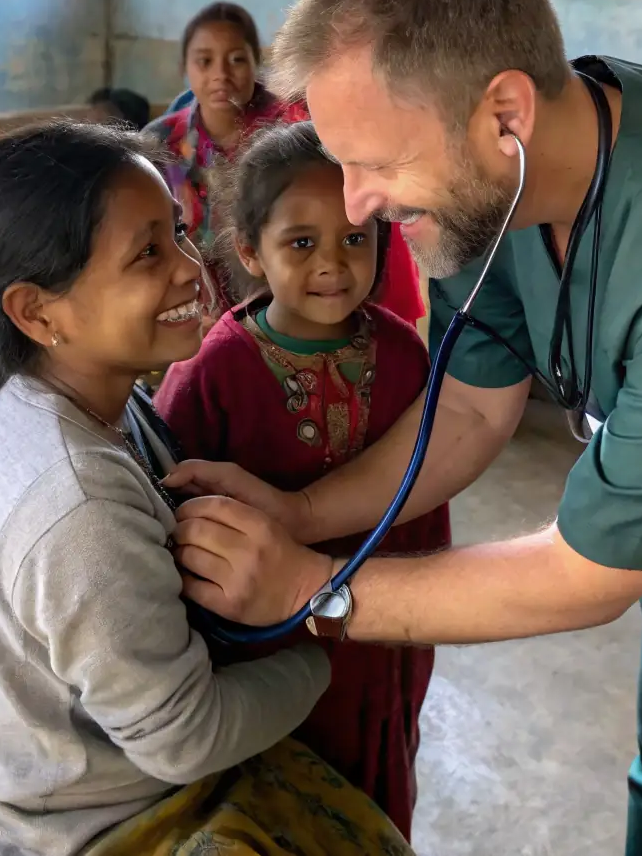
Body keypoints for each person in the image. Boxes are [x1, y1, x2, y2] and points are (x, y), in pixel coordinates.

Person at [170, 0, 642, 856]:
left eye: (377, 163)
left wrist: (315, 588)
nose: (359, 201)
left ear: (505, 112)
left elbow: (584, 573)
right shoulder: (489, 195)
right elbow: (467, 406)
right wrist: (300, 510)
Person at [0, 120, 410, 856]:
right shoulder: (77, 504)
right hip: (79, 830)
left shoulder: (87, 397)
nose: (192, 269)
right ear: (38, 312)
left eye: (179, 232)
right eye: (147, 254)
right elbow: (186, 739)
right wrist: (323, 659)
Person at [155, 121, 449, 839]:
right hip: (269, 660)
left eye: (355, 237)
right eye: (300, 242)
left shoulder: (405, 355)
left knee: (370, 798)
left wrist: (420, 628)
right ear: (251, 251)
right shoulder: (211, 372)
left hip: (380, 644)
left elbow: (426, 510)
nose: (334, 264)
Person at [146, 0, 424, 326]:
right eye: (204, 61)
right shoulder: (162, 142)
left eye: (236, 60)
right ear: (185, 68)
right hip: (195, 315)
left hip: (301, 311)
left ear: (255, 62)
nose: (220, 74)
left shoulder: (300, 127)